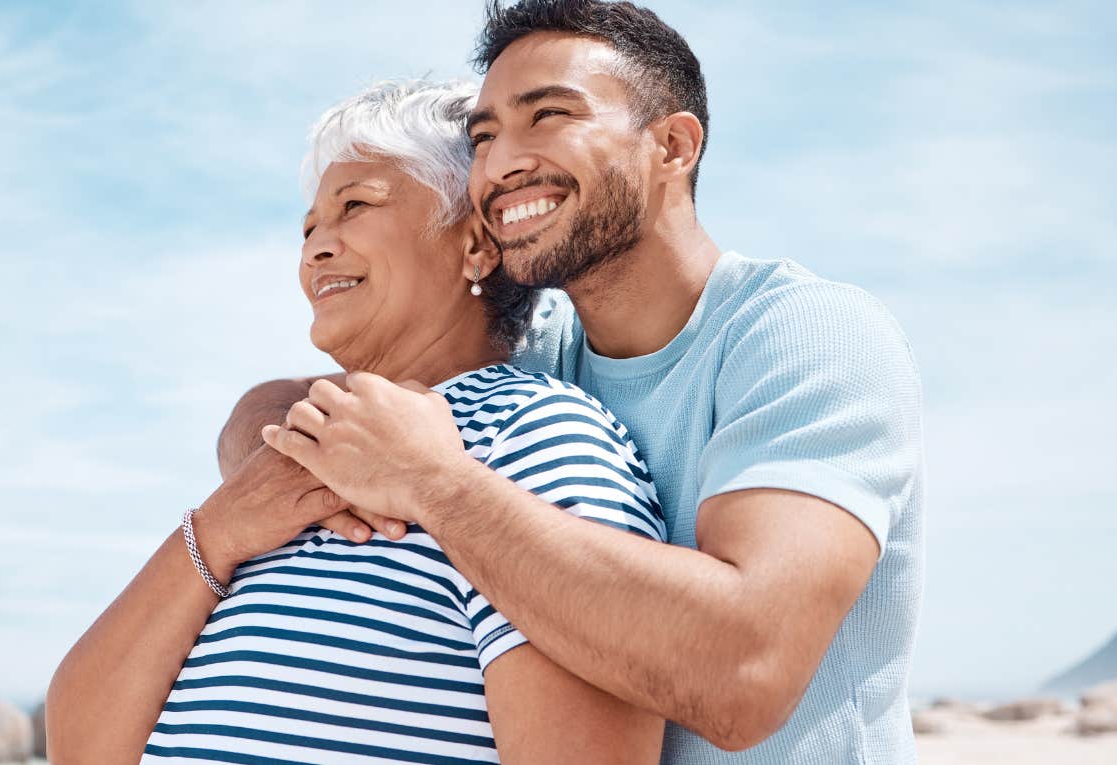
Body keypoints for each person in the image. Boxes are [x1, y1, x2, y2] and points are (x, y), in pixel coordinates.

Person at [241, 1, 926, 763]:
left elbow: (744, 672)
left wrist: (432, 482)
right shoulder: (537, 356)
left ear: (673, 145)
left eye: (549, 116)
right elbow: (275, 407)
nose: (499, 165)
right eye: (485, 135)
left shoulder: (807, 333)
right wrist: (298, 452)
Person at [48, 79, 666, 765]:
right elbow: (81, 745)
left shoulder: (531, 435)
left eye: (355, 207)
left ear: (475, 246)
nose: (315, 249)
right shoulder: (290, 454)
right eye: (310, 227)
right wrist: (219, 529)